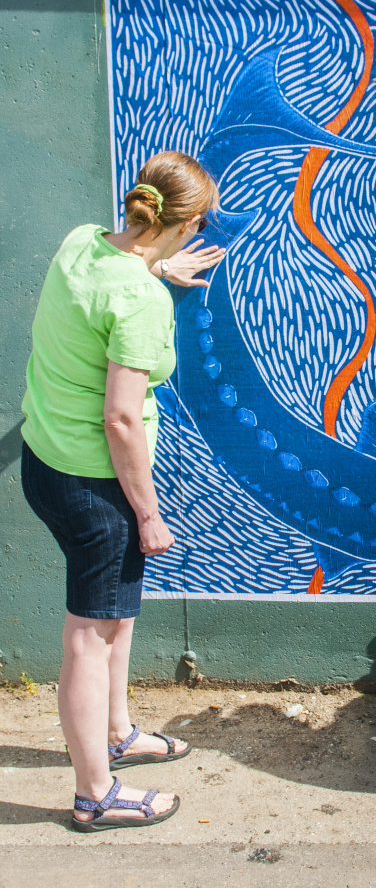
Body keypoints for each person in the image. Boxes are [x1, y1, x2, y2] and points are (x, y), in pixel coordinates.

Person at [20, 151, 226, 832]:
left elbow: (107, 284)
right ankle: (95, 792)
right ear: (191, 222)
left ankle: (115, 729)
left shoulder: (82, 242)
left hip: (44, 463)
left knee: (115, 612)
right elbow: (120, 417)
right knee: (89, 633)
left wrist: (160, 267)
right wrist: (148, 511)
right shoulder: (139, 301)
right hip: (96, 487)